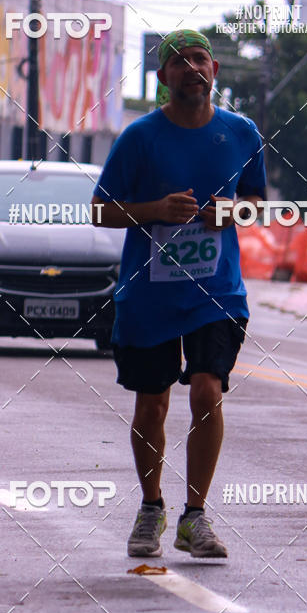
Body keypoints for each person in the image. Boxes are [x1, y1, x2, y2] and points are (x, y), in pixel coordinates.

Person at [91, 28, 266, 559]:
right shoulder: (140, 138)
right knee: (153, 405)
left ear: (214, 72)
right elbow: (100, 210)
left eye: (200, 59)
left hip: (217, 293)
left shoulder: (241, 132)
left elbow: (257, 201)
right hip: (149, 297)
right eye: (179, 61)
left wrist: (231, 211)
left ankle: (195, 516)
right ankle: (150, 508)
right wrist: (153, 211)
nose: (192, 67)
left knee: (208, 391)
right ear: (163, 77)